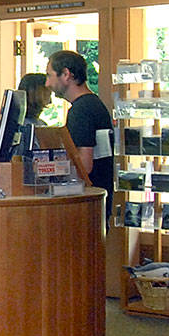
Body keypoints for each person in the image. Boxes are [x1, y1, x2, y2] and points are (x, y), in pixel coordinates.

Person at [46, 50, 113, 223]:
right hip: (100, 199)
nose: (47, 83)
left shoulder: (80, 111)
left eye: (49, 75)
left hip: (87, 202)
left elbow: (84, 164)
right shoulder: (94, 104)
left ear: (66, 74)